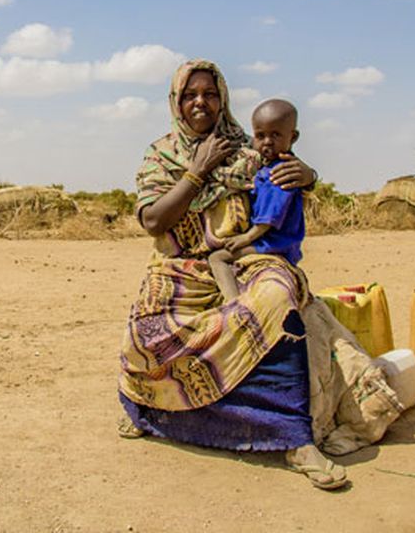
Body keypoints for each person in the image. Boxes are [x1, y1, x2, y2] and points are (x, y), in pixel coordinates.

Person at [118, 59, 348, 490]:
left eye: (209, 93)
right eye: (190, 95)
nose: (200, 102)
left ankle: (293, 437)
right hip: (180, 266)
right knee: (146, 330)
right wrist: (197, 171)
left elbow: (285, 176)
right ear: (176, 102)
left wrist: (309, 175)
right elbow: (153, 222)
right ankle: (149, 412)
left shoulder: (250, 148)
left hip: (246, 258)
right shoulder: (160, 154)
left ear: (223, 98)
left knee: (276, 299)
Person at [208, 99, 305, 301]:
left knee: (217, 259)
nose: (267, 142)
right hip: (272, 242)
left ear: (293, 137)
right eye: (260, 136)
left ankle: (234, 303)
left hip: (272, 244)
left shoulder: (280, 174)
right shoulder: (265, 166)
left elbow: (268, 219)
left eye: (275, 135)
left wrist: (245, 238)